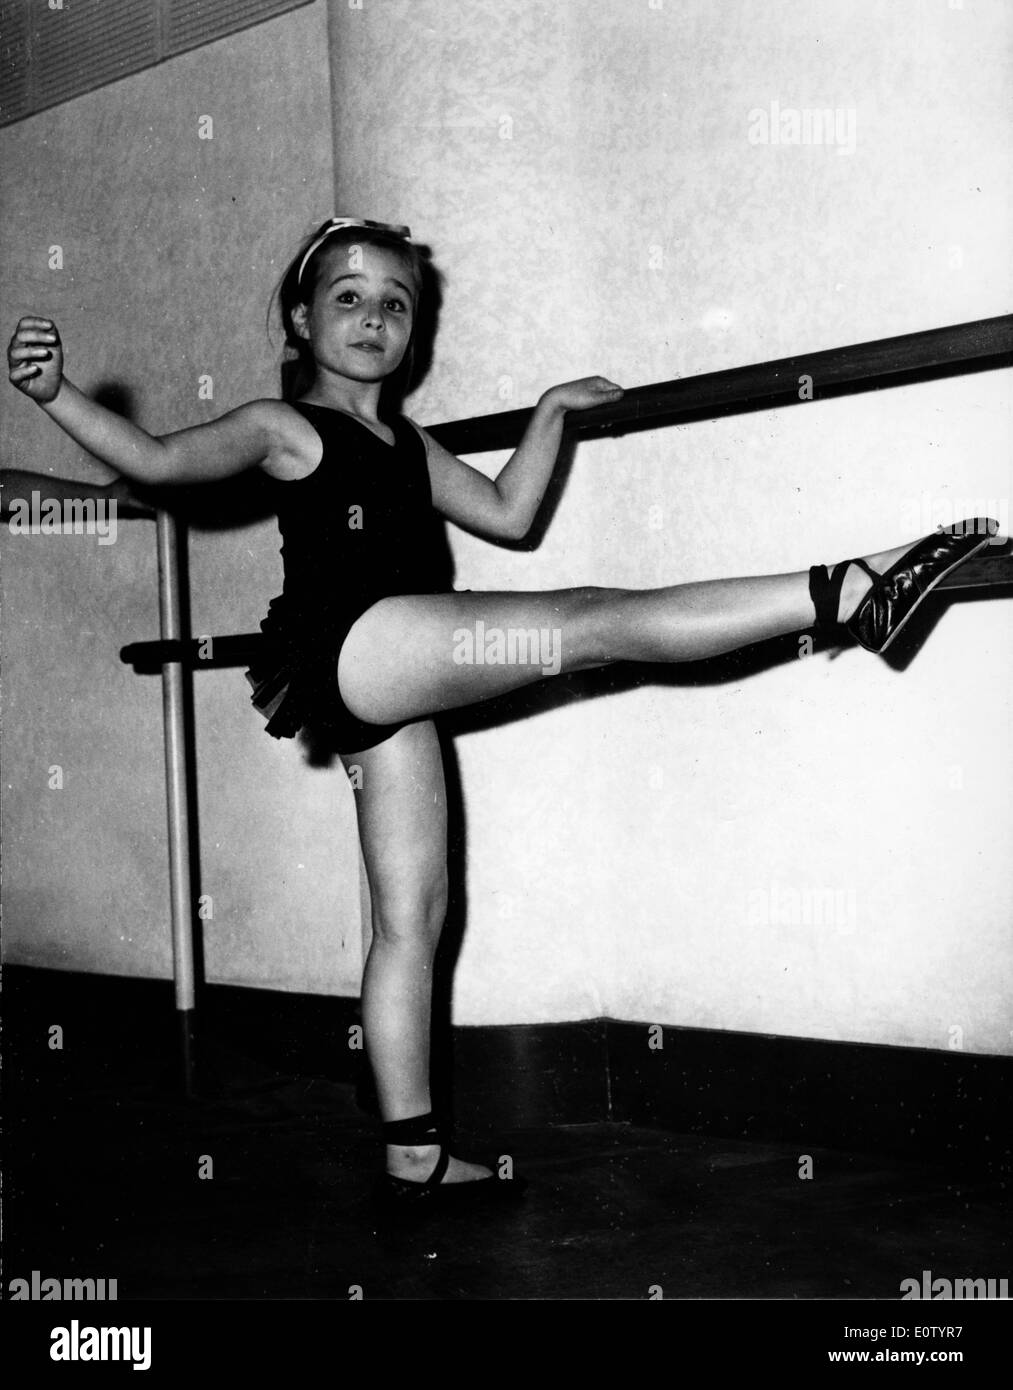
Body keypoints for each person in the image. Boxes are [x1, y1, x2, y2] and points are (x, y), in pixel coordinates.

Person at [7, 215, 998, 1223]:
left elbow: (509, 514)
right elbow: (160, 461)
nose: (374, 318)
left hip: (384, 675)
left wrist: (553, 410)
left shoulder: (407, 442)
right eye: (347, 297)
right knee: (591, 621)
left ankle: (414, 1156)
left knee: (412, 920)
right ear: (301, 320)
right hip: (357, 639)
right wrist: (56, 395)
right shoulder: (283, 424)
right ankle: (844, 589)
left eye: (396, 303)